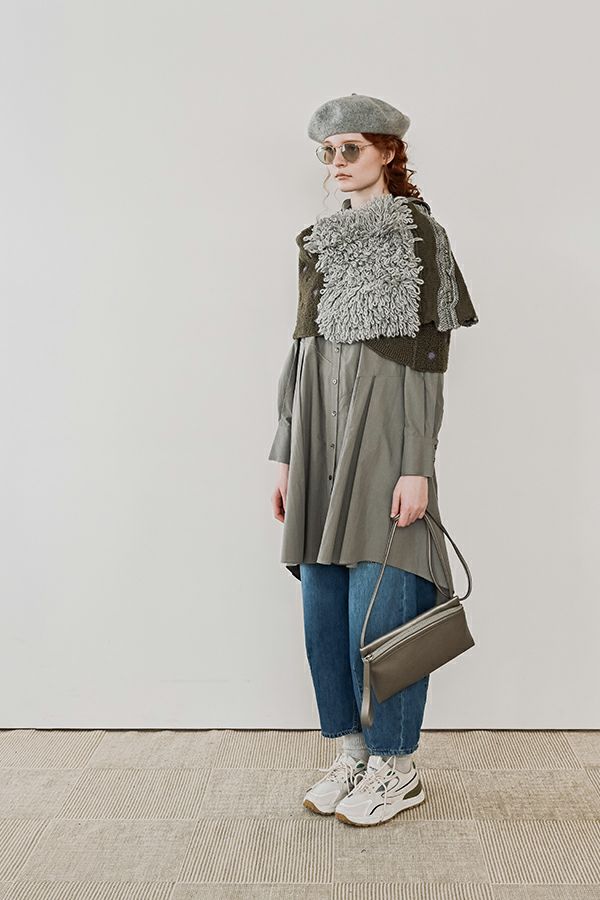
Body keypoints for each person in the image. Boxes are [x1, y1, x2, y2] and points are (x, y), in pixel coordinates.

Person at [268, 94, 479, 827]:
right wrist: (284, 453)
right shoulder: (319, 240)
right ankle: (352, 753)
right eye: (327, 152)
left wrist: (416, 463)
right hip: (317, 437)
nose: (337, 163)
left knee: (382, 608)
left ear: (388, 151)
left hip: (386, 438)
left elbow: (429, 360)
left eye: (350, 148)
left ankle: (397, 766)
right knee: (323, 604)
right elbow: (300, 349)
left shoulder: (421, 237)